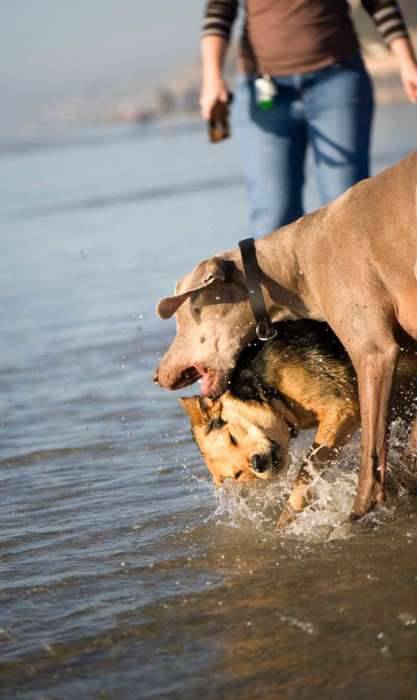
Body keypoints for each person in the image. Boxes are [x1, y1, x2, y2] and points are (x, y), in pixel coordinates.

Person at [200, 0, 417, 237]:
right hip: (265, 91)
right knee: (274, 216)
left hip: (337, 82)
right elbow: (219, 10)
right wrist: (212, 77)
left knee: (346, 208)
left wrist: (407, 62)